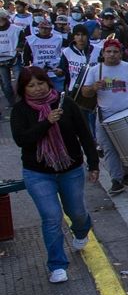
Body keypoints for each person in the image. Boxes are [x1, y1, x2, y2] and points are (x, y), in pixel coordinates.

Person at [10, 67, 99, 283]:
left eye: (40, 83)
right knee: (51, 217)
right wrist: (46, 122)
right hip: (38, 173)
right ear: (23, 89)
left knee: (76, 212)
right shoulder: (20, 110)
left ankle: (81, 230)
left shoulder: (65, 103)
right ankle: (57, 265)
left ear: (48, 83)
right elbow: (22, 140)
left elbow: (84, 134)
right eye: (31, 85)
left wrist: (93, 164)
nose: (37, 89)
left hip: (70, 169)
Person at [80, 38, 128, 196]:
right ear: (103, 53)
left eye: (115, 52)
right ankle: (116, 181)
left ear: (121, 53)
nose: (111, 54)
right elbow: (85, 92)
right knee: (109, 149)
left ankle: (125, 174)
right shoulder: (96, 70)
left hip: (127, 115)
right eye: (108, 51)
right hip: (105, 117)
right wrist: (94, 87)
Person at [0, 10, 23, 115]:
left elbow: (22, 41)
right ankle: (13, 104)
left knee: (19, 81)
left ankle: (22, 101)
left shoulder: (16, 29)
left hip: (14, 59)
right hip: (1, 61)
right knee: (5, 84)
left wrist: (18, 49)